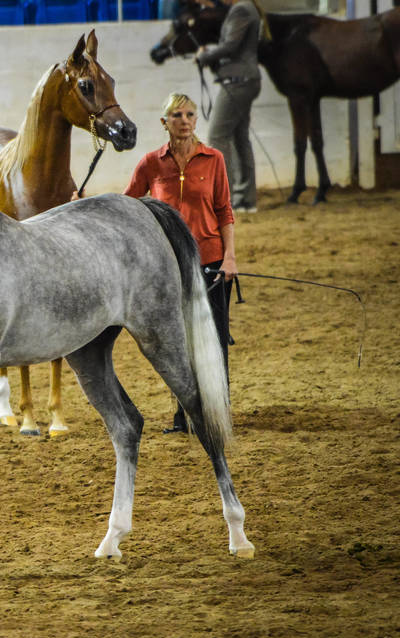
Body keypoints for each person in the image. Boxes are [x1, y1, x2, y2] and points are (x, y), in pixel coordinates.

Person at [124, 93, 238, 434]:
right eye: (176, 115)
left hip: (212, 261)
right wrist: (85, 203)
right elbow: (127, 205)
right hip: (169, 267)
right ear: (164, 122)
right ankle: (184, 414)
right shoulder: (150, 163)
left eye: (190, 114)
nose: (184, 120)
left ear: (196, 120)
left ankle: (219, 412)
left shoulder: (213, 159)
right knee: (179, 339)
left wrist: (230, 256)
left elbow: (224, 211)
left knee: (214, 338)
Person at [195, 0, 264, 213]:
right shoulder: (248, 8)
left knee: (218, 136)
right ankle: (246, 199)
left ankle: (226, 200)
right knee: (239, 138)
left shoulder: (241, 9)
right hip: (245, 79)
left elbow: (231, 46)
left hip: (238, 81)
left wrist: (205, 56)